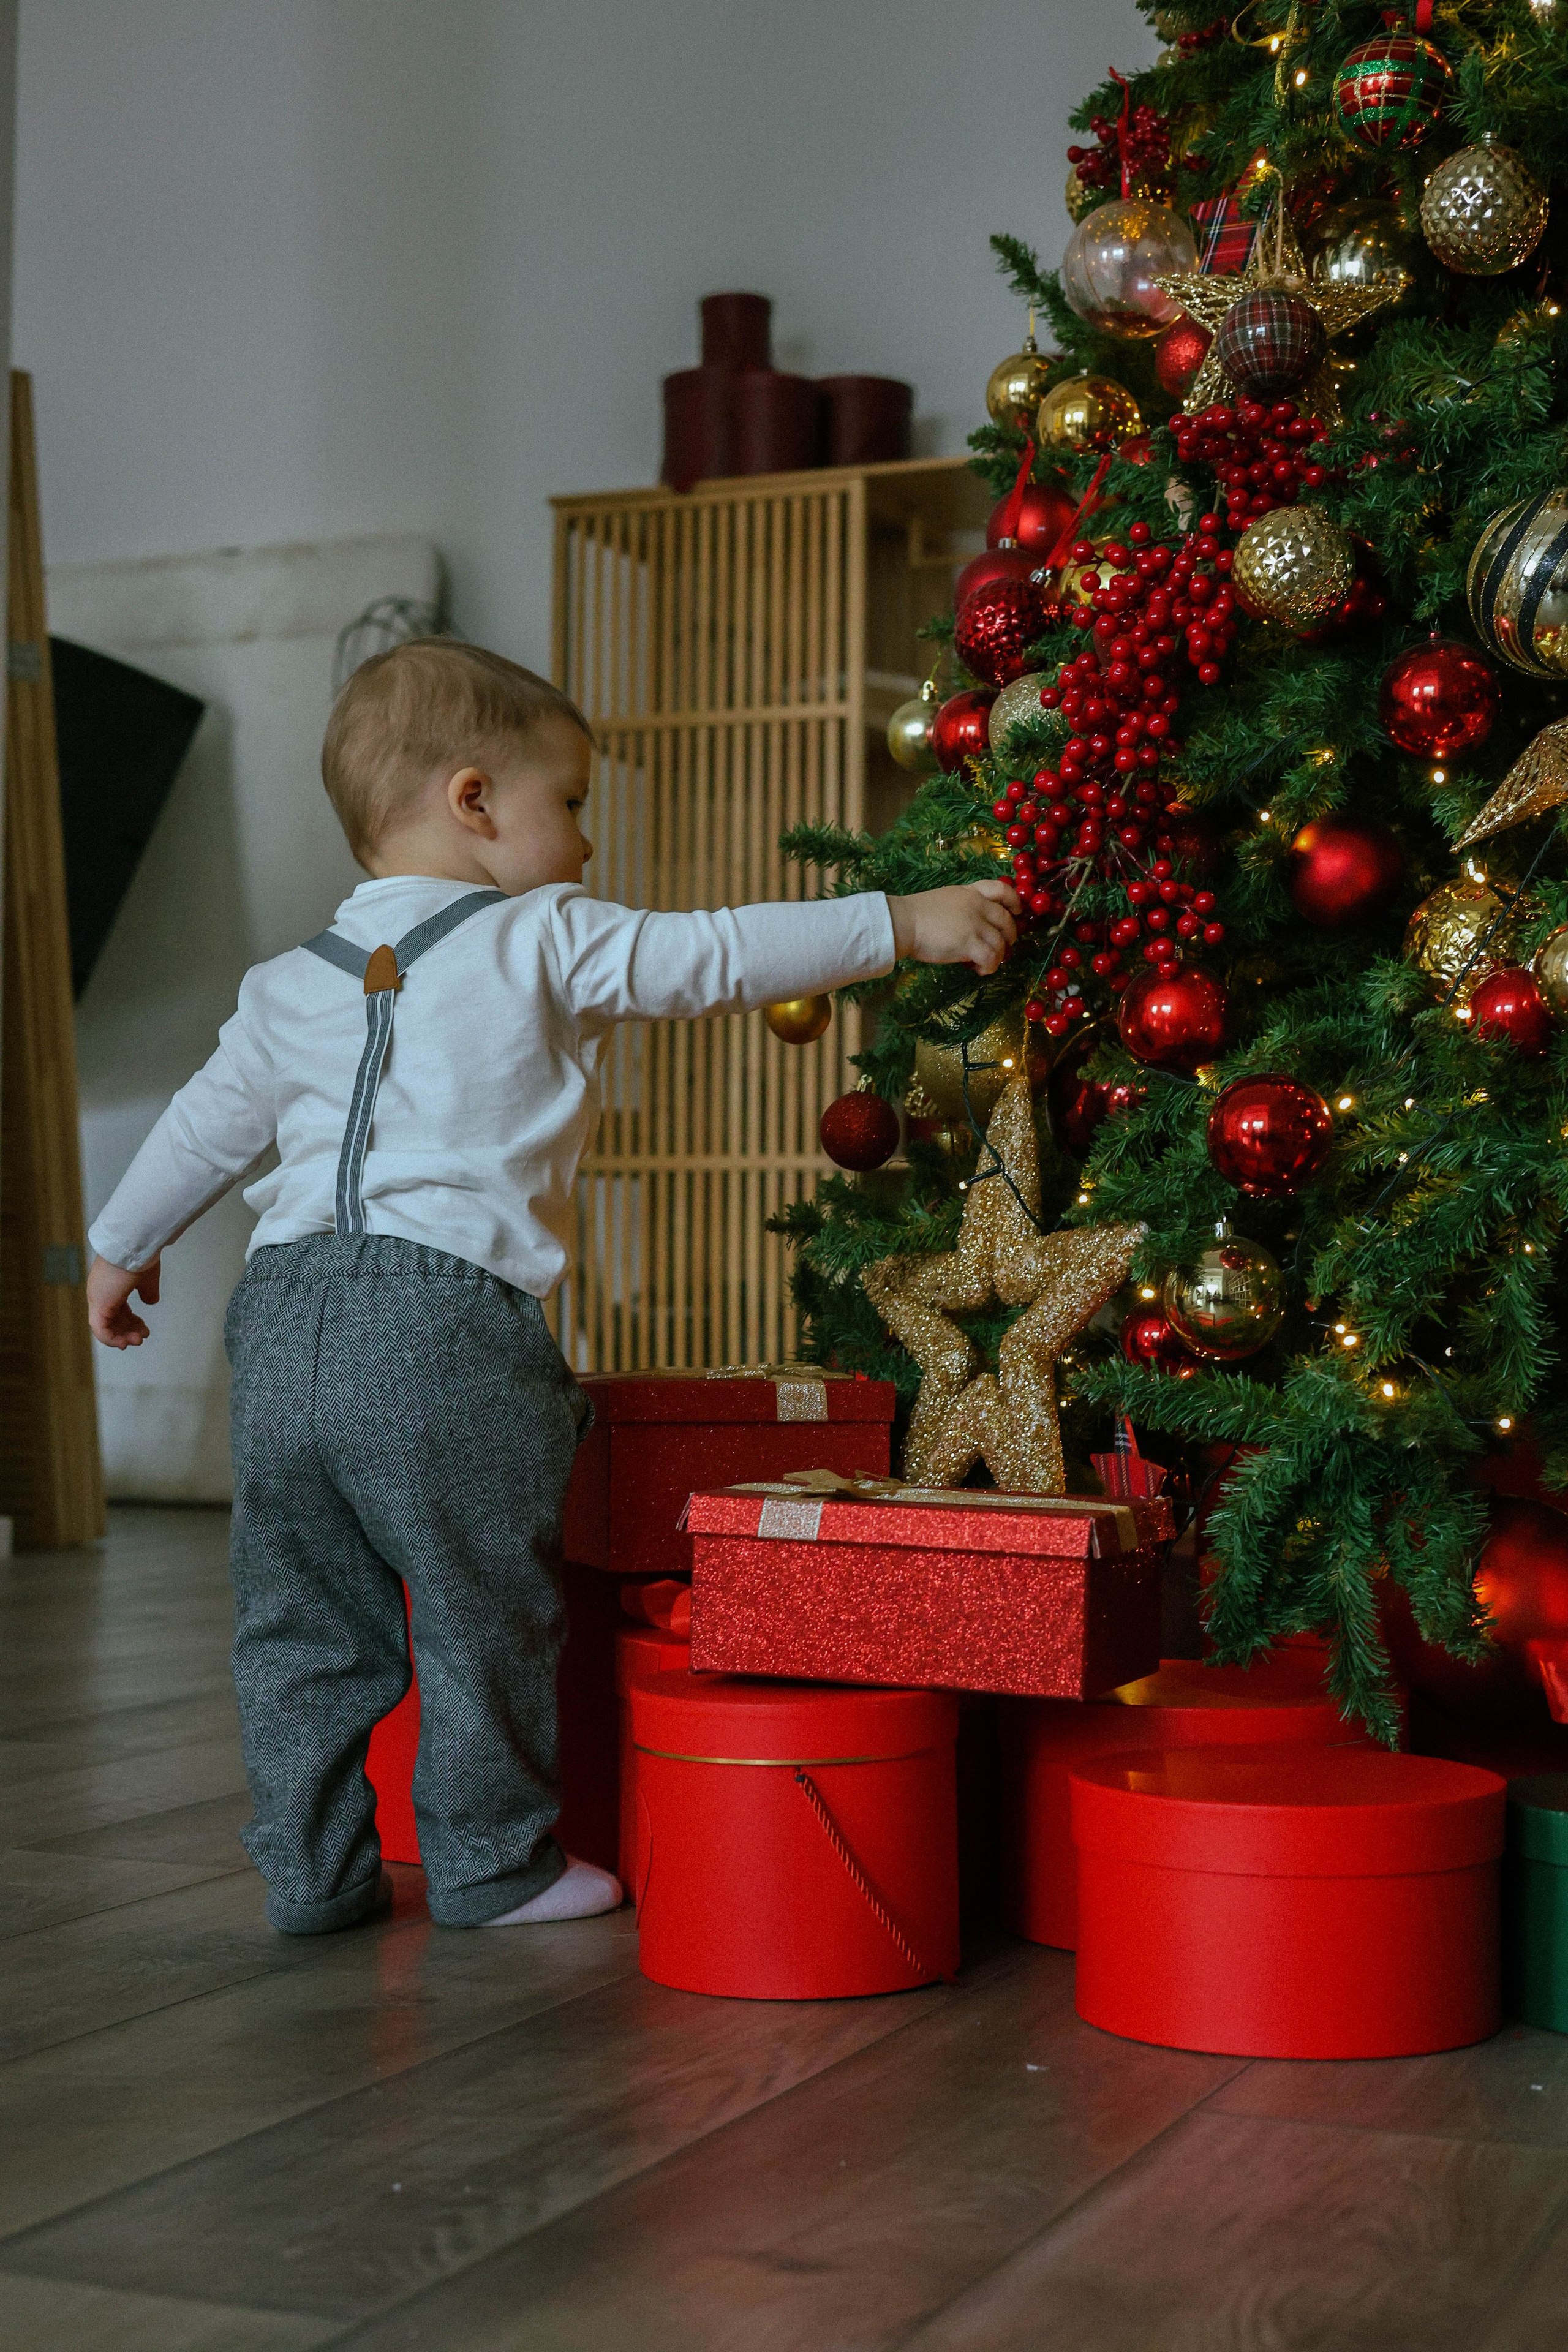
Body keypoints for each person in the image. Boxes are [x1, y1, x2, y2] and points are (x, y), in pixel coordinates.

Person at [85, 639, 1020, 1936]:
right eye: (568, 803)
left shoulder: (282, 983)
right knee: (480, 1611)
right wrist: (903, 923)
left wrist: (118, 1246)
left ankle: (310, 1874)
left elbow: (202, 1129)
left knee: (298, 1626)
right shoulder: (539, 935)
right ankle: (489, 1866)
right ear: (474, 802)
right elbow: (713, 957)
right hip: (440, 1328)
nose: (582, 840)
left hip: (280, 1314)